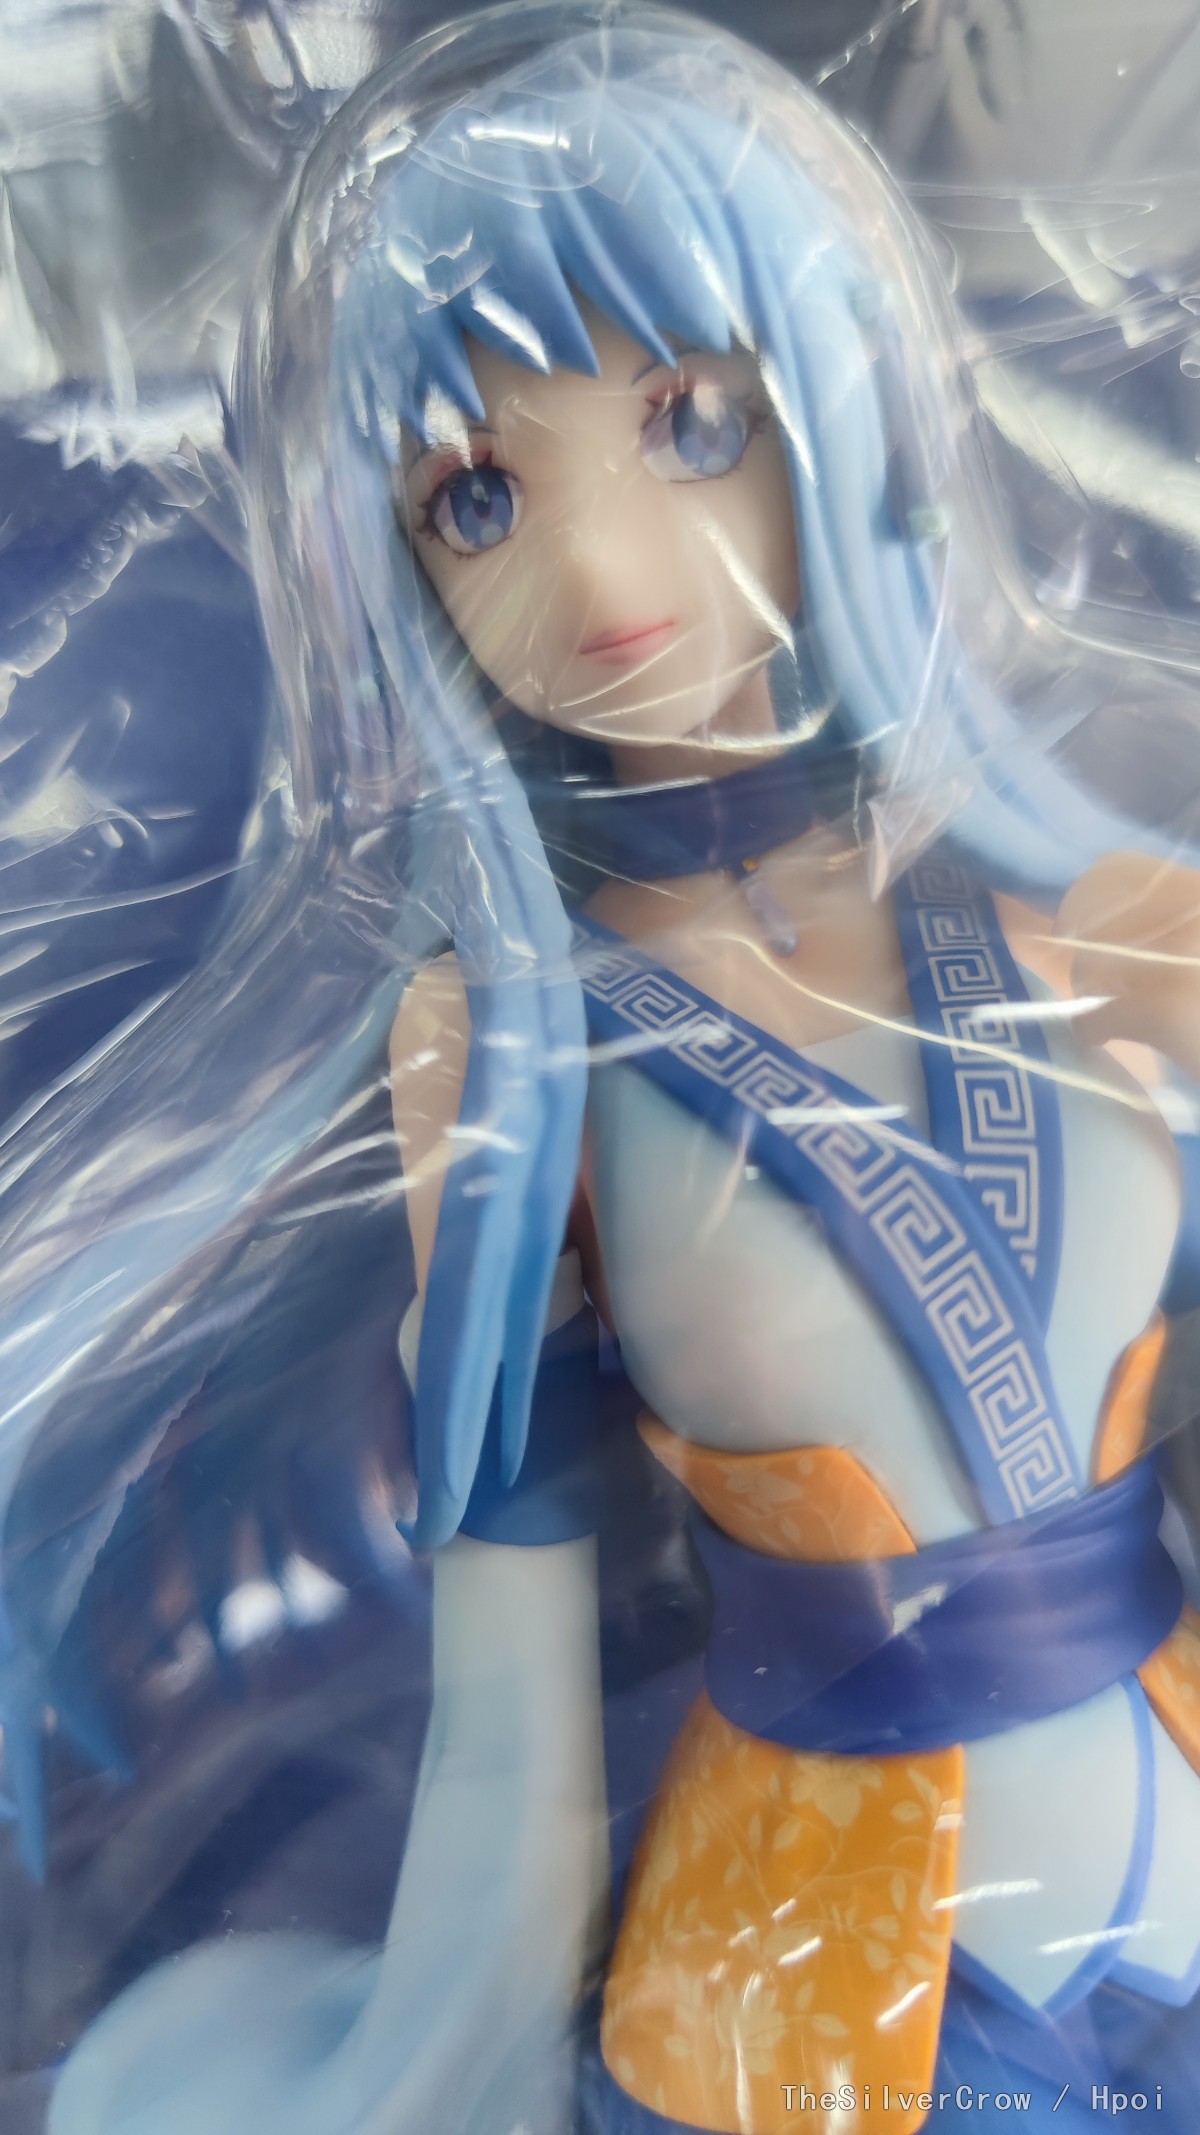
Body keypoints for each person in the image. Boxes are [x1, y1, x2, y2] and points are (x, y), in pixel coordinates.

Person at [27, 14, 1200, 2133]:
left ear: (836, 397)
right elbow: (512, 1673)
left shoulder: (1102, 919)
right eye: (476, 494)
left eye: (690, 418)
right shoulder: (505, 1043)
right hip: (824, 2003)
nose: (602, 570)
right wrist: (449, 2038)